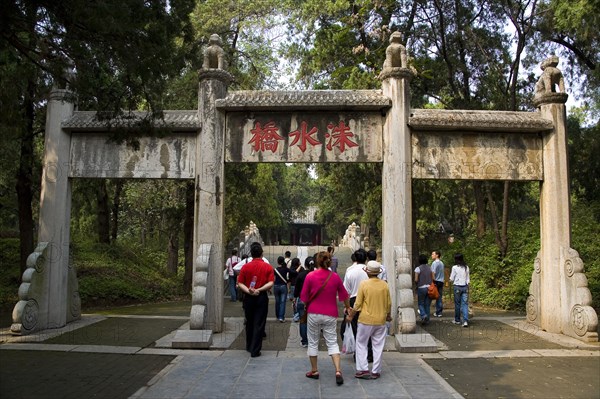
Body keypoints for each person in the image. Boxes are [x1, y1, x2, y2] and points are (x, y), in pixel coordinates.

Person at [301, 251, 350, 386]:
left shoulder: (310, 276)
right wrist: (348, 307)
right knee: (332, 342)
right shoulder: (334, 277)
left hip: (314, 313)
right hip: (330, 313)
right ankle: (338, 371)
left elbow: (304, 298)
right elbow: (344, 296)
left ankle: (314, 370)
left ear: (317, 262)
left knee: (312, 342)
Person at [347, 260, 391, 380]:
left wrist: (351, 315)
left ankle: (363, 369)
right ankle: (376, 370)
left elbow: (358, 304)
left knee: (361, 343)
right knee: (378, 345)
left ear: (367, 272)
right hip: (380, 319)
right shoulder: (384, 285)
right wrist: (388, 315)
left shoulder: (364, 284)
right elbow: (388, 303)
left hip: (365, 319)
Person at [237, 242, 275, 357]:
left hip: (248, 297)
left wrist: (249, 290)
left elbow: (240, 282)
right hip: (261, 297)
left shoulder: (245, 266)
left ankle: (249, 346)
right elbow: (271, 282)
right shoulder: (267, 267)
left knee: (249, 322)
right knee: (259, 323)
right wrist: (259, 289)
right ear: (261, 254)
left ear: (251, 254)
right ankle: (255, 349)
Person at [342, 249, 371, 361]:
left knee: (356, 328)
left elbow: (345, 292)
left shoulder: (350, 271)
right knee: (367, 327)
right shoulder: (369, 271)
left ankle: (358, 354)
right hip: (368, 301)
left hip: (354, 301)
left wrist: (347, 306)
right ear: (366, 258)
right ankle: (368, 354)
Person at [293, 256, 314, 347]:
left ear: (305, 265)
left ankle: (304, 341)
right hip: (313, 300)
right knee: (313, 321)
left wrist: (294, 298)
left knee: (303, 320)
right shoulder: (316, 274)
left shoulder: (301, 275)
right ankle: (313, 340)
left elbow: (297, 289)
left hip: (302, 299)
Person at [449, 253, 470, 327]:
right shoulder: (466, 267)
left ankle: (457, 320)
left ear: (456, 259)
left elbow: (451, 278)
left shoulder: (454, 267)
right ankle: (465, 321)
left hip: (457, 287)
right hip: (465, 287)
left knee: (457, 304)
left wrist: (449, 280)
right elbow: (468, 279)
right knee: (464, 304)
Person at [414, 254, 434, 325]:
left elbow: (416, 279)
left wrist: (417, 283)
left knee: (420, 303)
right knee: (427, 304)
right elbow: (433, 278)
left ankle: (423, 315)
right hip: (429, 288)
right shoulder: (430, 268)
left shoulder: (418, 269)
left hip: (421, 288)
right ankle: (427, 320)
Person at [274, 256, 290, 322]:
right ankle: (281, 317)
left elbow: (273, 278)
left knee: (277, 302)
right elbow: (293, 272)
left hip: (276, 286)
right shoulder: (285, 269)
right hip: (283, 286)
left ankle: (277, 316)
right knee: (282, 302)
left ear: (277, 262)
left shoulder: (275, 270)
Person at [431, 250, 445, 317]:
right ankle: (439, 312)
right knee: (439, 296)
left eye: (433, 254)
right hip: (441, 281)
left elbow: (433, 273)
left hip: (436, 281)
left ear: (437, 255)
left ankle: (437, 311)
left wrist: (433, 280)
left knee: (433, 295)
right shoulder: (442, 263)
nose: (432, 255)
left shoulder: (434, 263)